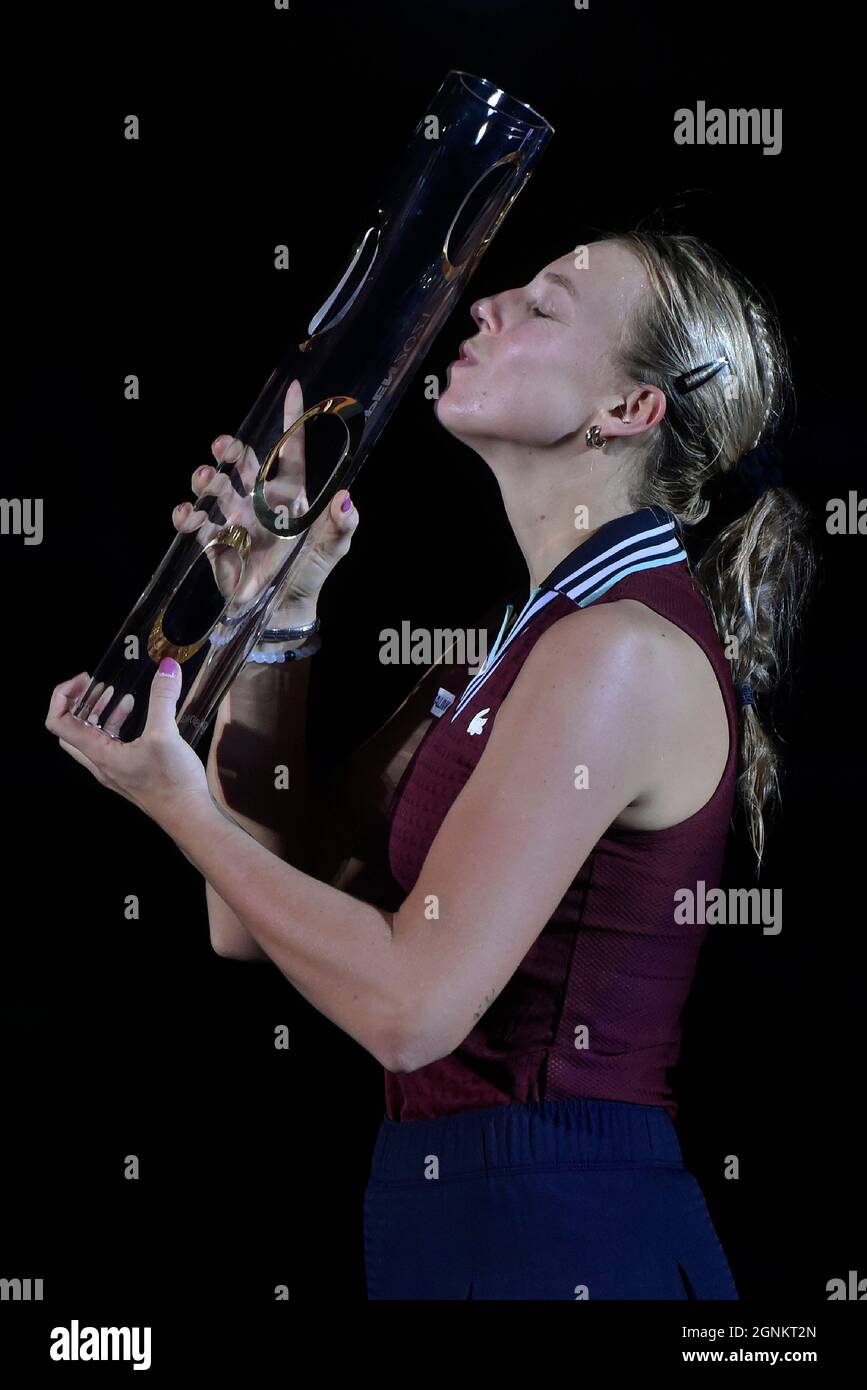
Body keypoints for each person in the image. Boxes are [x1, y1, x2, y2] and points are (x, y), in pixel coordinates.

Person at [47, 227, 815, 1300]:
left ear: (630, 410)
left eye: (544, 307)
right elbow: (253, 917)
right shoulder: (528, 639)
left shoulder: (618, 652)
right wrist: (276, 615)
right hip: (458, 1213)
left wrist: (176, 803)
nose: (489, 302)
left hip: (566, 1226)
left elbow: (408, 1008)